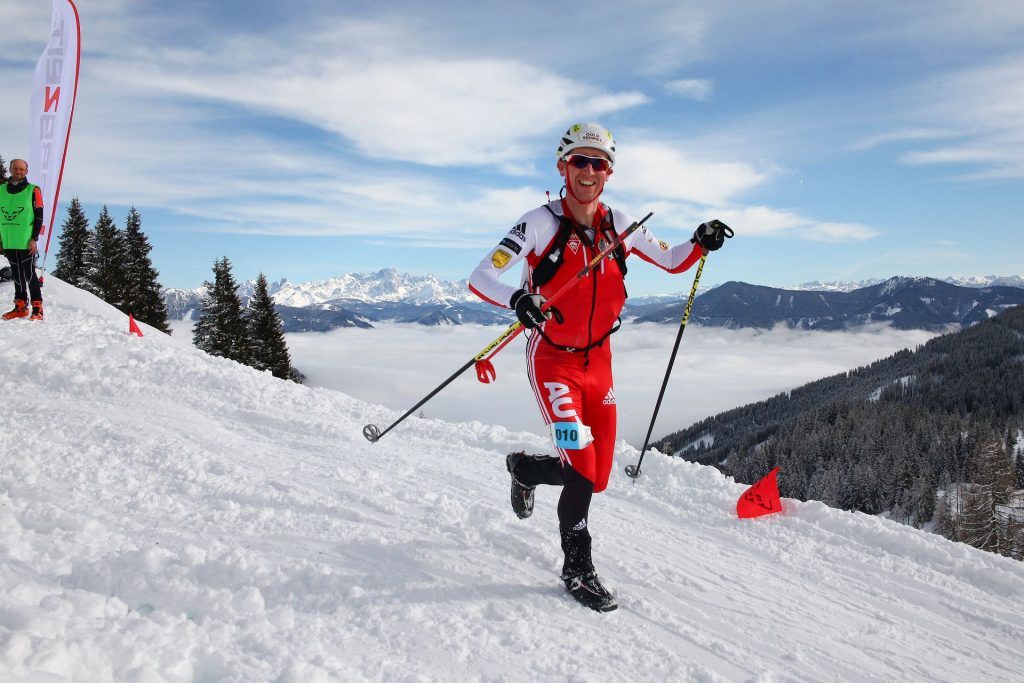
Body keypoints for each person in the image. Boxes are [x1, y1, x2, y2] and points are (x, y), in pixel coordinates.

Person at [468, 123, 730, 612]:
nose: (589, 172)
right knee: (583, 473)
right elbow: (482, 275)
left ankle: (524, 468)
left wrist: (699, 241)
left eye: (599, 163)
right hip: (552, 362)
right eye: (579, 161)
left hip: (600, 363)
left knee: (598, 474)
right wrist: (518, 297)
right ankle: (577, 568)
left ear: (609, 171)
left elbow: (673, 261)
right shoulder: (538, 223)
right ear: (562, 165)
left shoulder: (621, 225)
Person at [0, 159, 45, 321]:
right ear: (10, 169)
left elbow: (39, 216)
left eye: (21, 169)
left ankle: (37, 308)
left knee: (29, 274)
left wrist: (34, 238)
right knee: (17, 274)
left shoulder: (33, 190)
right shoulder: (1, 190)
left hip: (26, 240)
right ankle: (20, 307)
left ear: (26, 171)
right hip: (9, 239)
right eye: (15, 168)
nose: (18, 171)